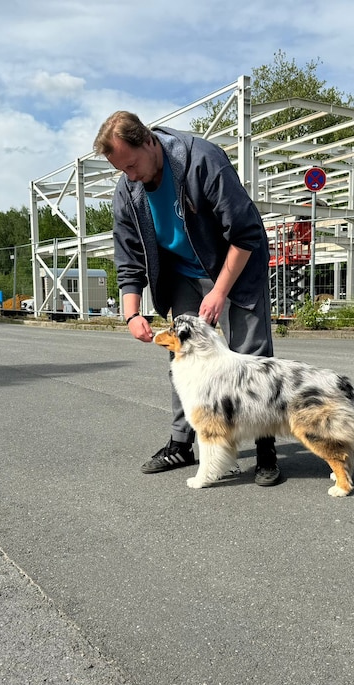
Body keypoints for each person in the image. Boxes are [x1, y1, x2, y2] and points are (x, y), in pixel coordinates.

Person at [93, 110, 281, 486]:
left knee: (251, 354)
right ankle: (182, 444)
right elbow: (128, 260)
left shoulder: (201, 160)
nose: (130, 176)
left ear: (149, 141)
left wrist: (219, 290)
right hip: (181, 272)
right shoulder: (127, 190)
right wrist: (132, 315)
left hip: (236, 264)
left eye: (131, 165)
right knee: (184, 357)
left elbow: (245, 234)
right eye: (121, 170)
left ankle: (265, 448)